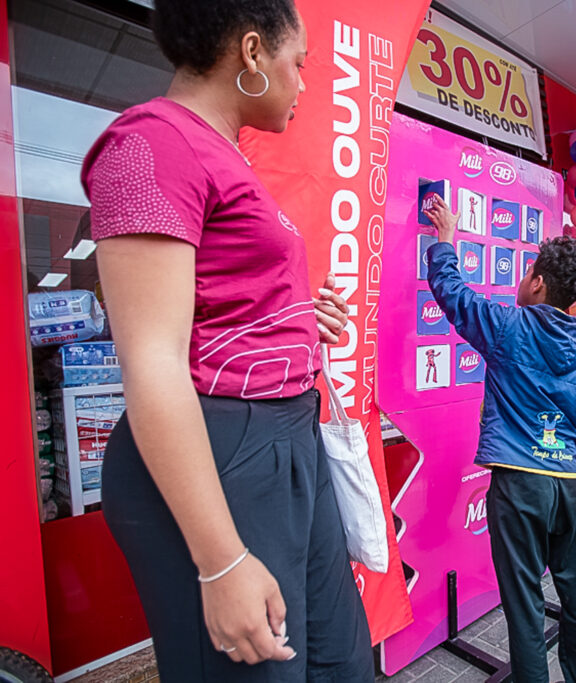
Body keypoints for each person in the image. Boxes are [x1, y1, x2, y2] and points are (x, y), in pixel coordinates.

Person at [82, 1, 373, 680]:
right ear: (251, 52)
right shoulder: (152, 145)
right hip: (224, 449)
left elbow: (217, 307)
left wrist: (296, 319)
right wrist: (221, 560)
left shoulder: (221, 155)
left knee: (341, 664)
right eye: (298, 63)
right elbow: (152, 360)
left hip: (286, 437)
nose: (304, 83)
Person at [424, 198, 576, 683]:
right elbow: (574, 421)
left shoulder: (508, 327)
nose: (520, 280)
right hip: (566, 484)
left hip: (520, 485)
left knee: (524, 604)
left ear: (538, 283)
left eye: (526, 273)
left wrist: (445, 239)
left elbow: (453, 293)